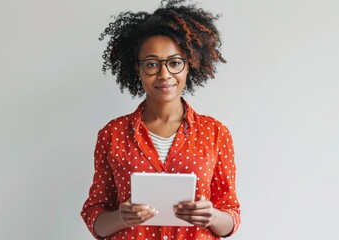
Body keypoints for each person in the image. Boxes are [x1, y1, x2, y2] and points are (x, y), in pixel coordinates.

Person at [81, 0, 241, 239]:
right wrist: (121, 217)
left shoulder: (216, 132)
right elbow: (95, 217)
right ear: (138, 69)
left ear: (189, 65)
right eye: (152, 64)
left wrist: (214, 217)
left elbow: (231, 215)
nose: (164, 74)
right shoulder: (112, 134)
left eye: (175, 63)